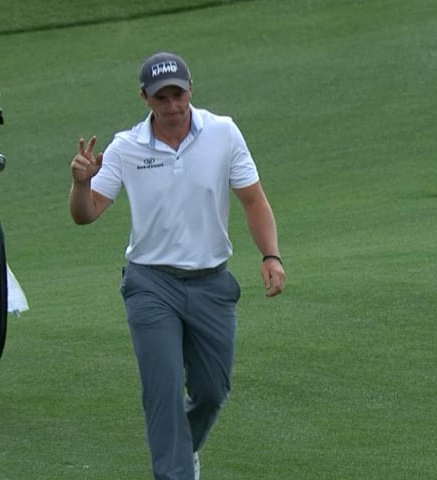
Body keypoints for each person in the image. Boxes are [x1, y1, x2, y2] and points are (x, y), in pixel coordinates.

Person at [68, 51, 286, 480]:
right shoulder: (127, 147)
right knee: (163, 393)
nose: (172, 105)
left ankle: (184, 451)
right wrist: (80, 184)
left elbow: (253, 199)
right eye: (161, 97)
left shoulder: (223, 133)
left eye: (178, 94)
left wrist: (271, 255)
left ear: (190, 90)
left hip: (212, 284)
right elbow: (86, 213)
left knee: (211, 391)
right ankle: (176, 471)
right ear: (145, 98)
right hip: (151, 285)